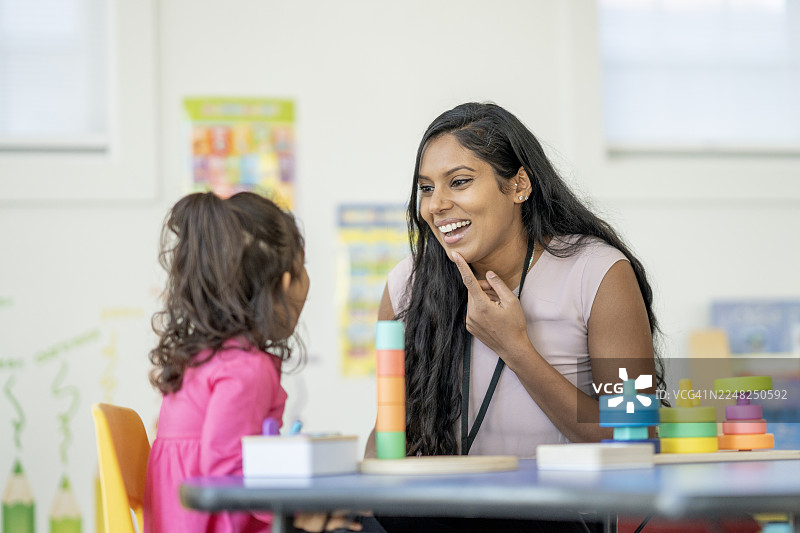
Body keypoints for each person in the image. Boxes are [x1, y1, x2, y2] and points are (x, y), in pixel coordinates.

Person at [365, 102, 665, 533]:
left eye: (460, 182)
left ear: (519, 185)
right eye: (426, 188)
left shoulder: (598, 274)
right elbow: (387, 432)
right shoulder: (405, 286)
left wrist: (516, 349)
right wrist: (364, 481)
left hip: (558, 518)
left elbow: (636, 444)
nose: (437, 205)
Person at [144, 191, 325, 532]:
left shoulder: (199, 360)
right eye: (303, 269)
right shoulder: (246, 368)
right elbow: (228, 475)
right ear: (285, 283)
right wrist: (300, 515)